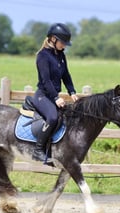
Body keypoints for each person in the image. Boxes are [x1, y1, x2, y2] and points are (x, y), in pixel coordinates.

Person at [31, 23, 79, 163]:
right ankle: (38, 150)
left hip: (53, 96)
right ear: (53, 39)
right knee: (52, 118)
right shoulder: (42, 56)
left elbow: (66, 75)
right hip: (43, 95)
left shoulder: (61, 56)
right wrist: (56, 97)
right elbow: (46, 81)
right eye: (63, 42)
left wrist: (72, 91)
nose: (64, 45)